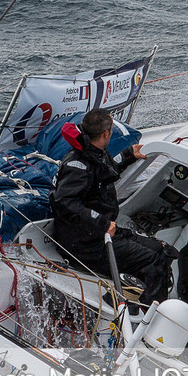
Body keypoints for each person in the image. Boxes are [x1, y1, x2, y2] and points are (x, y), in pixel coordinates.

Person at [51, 109, 178, 306]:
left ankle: (136, 293)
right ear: (105, 134)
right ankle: (150, 312)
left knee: (163, 250)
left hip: (98, 233)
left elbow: (104, 171)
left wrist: (128, 155)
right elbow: (65, 202)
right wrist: (102, 223)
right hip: (84, 243)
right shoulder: (77, 165)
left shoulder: (92, 151)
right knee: (153, 261)